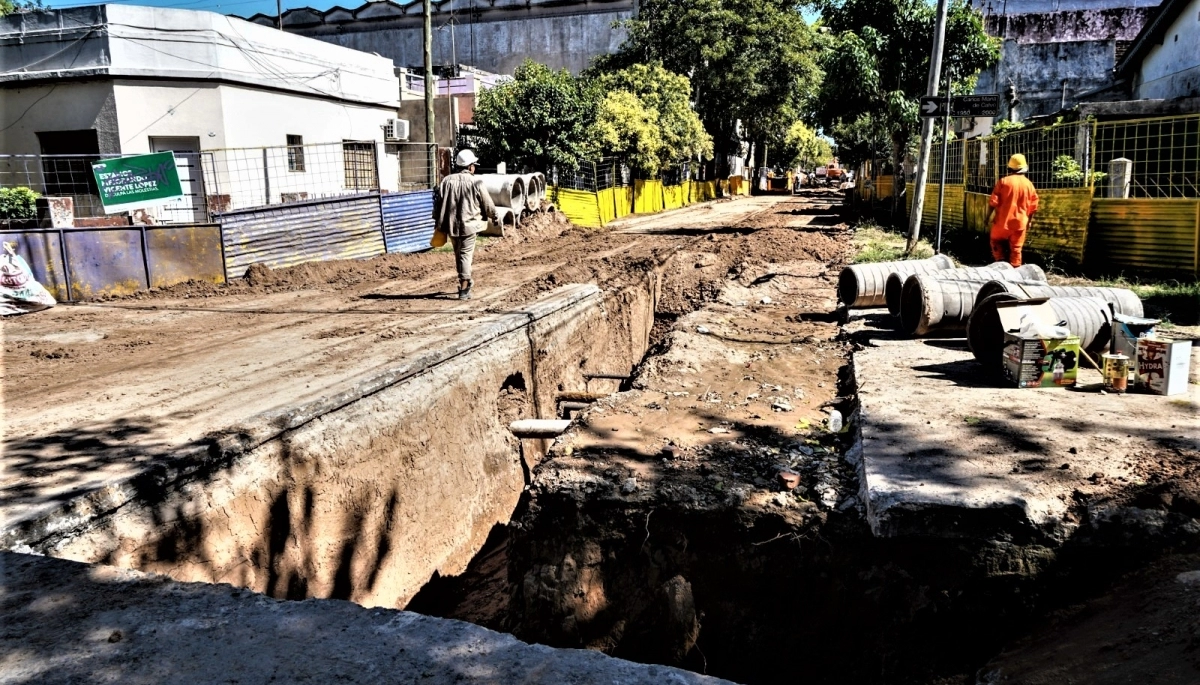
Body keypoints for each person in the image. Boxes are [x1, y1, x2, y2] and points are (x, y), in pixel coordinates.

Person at [433, 149, 497, 300]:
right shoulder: (476, 182)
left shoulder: (446, 181)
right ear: (469, 167)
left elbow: (438, 204)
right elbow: (487, 203)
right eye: (474, 164)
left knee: (459, 255)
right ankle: (464, 288)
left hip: (451, 226)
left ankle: (464, 281)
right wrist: (494, 216)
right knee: (465, 255)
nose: (474, 167)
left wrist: (437, 221)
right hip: (469, 225)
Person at [987, 153, 1039, 267]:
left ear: (1009, 167)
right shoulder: (1029, 185)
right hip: (1020, 224)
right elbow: (1033, 207)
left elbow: (993, 202)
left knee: (995, 241)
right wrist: (1029, 221)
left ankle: (1000, 264)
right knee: (1016, 249)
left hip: (1002, 223)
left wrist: (987, 218)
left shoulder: (1003, 182)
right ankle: (1016, 270)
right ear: (1025, 168)